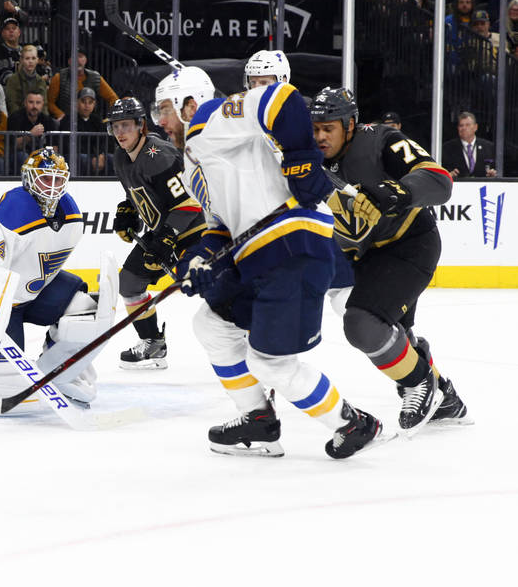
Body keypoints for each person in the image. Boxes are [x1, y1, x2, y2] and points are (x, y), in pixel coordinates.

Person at [158, 71, 387, 459]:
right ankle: (258, 420)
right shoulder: (191, 165)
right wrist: (198, 260)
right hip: (256, 255)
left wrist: (301, 163)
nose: (159, 122)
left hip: (291, 244)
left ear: (188, 105)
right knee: (211, 325)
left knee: (270, 363)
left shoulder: (210, 118)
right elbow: (221, 228)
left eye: (164, 109)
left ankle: (353, 423)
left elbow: (282, 98)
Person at [311, 86, 469, 435]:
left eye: (329, 128)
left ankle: (419, 382)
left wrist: (398, 191)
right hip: (365, 256)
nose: (320, 136)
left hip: (411, 245)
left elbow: (440, 182)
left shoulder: (380, 140)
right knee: (396, 335)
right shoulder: (304, 159)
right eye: (316, 128)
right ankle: (446, 399)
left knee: (361, 323)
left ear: (350, 124)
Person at [0, 148, 98, 401]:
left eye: (58, 179)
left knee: (84, 306)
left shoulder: (71, 213)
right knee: (0, 381)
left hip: (29, 294)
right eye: (45, 179)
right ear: (29, 179)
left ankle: (58, 366)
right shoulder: (16, 207)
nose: (52, 187)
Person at [106, 94, 206, 369]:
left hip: (193, 230)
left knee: (208, 287)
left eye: (126, 125)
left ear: (141, 126)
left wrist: (168, 237)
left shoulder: (158, 155)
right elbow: (140, 194)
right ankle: (154, 344)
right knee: (129, 282)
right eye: (115, 126)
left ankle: (245, 336)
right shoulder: (121, 157)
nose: (120, 132)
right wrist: (128, 211)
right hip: (164, 231)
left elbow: (188, 203)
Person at [47, 49, 118, 122]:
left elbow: (113, 99)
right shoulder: (59, 77)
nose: (78, 60)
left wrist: (108, 119)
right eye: (74, 57)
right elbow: (49, 102)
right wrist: (62, 116)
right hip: (66, 122)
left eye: (80, 56)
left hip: (90, 122)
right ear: (69, 61)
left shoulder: (95, 77)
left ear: (86, 60)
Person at [441, 111, 497, 178]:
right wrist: (449, 175)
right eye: (461, 125)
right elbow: (442, 172)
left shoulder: (488, 147)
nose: (464, 128)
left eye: (467, 125)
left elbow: (496, 169)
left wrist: (492, 175)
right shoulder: (447, 148)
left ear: (475, 127)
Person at [7, 89, 56, 161]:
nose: (34, 106)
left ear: (43, 104)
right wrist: (30, 134)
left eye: (38, 103)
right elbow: (13, 145)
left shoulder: (48, 121)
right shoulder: (15, 118)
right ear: (25, 103)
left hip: (41, 156)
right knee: (23, 156)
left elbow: (55, 147)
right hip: (18, 156)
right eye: (31, 102)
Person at [4, 45, 49, 116]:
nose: (30, 61)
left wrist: (44, 122)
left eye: (33, 58)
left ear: (37, 60)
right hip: (19, 120)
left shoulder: (41, 81)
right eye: (27, 58)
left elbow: (44, 106)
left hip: (37, 120)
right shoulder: (13, 80)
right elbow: (12, 106)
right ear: (21, 60)